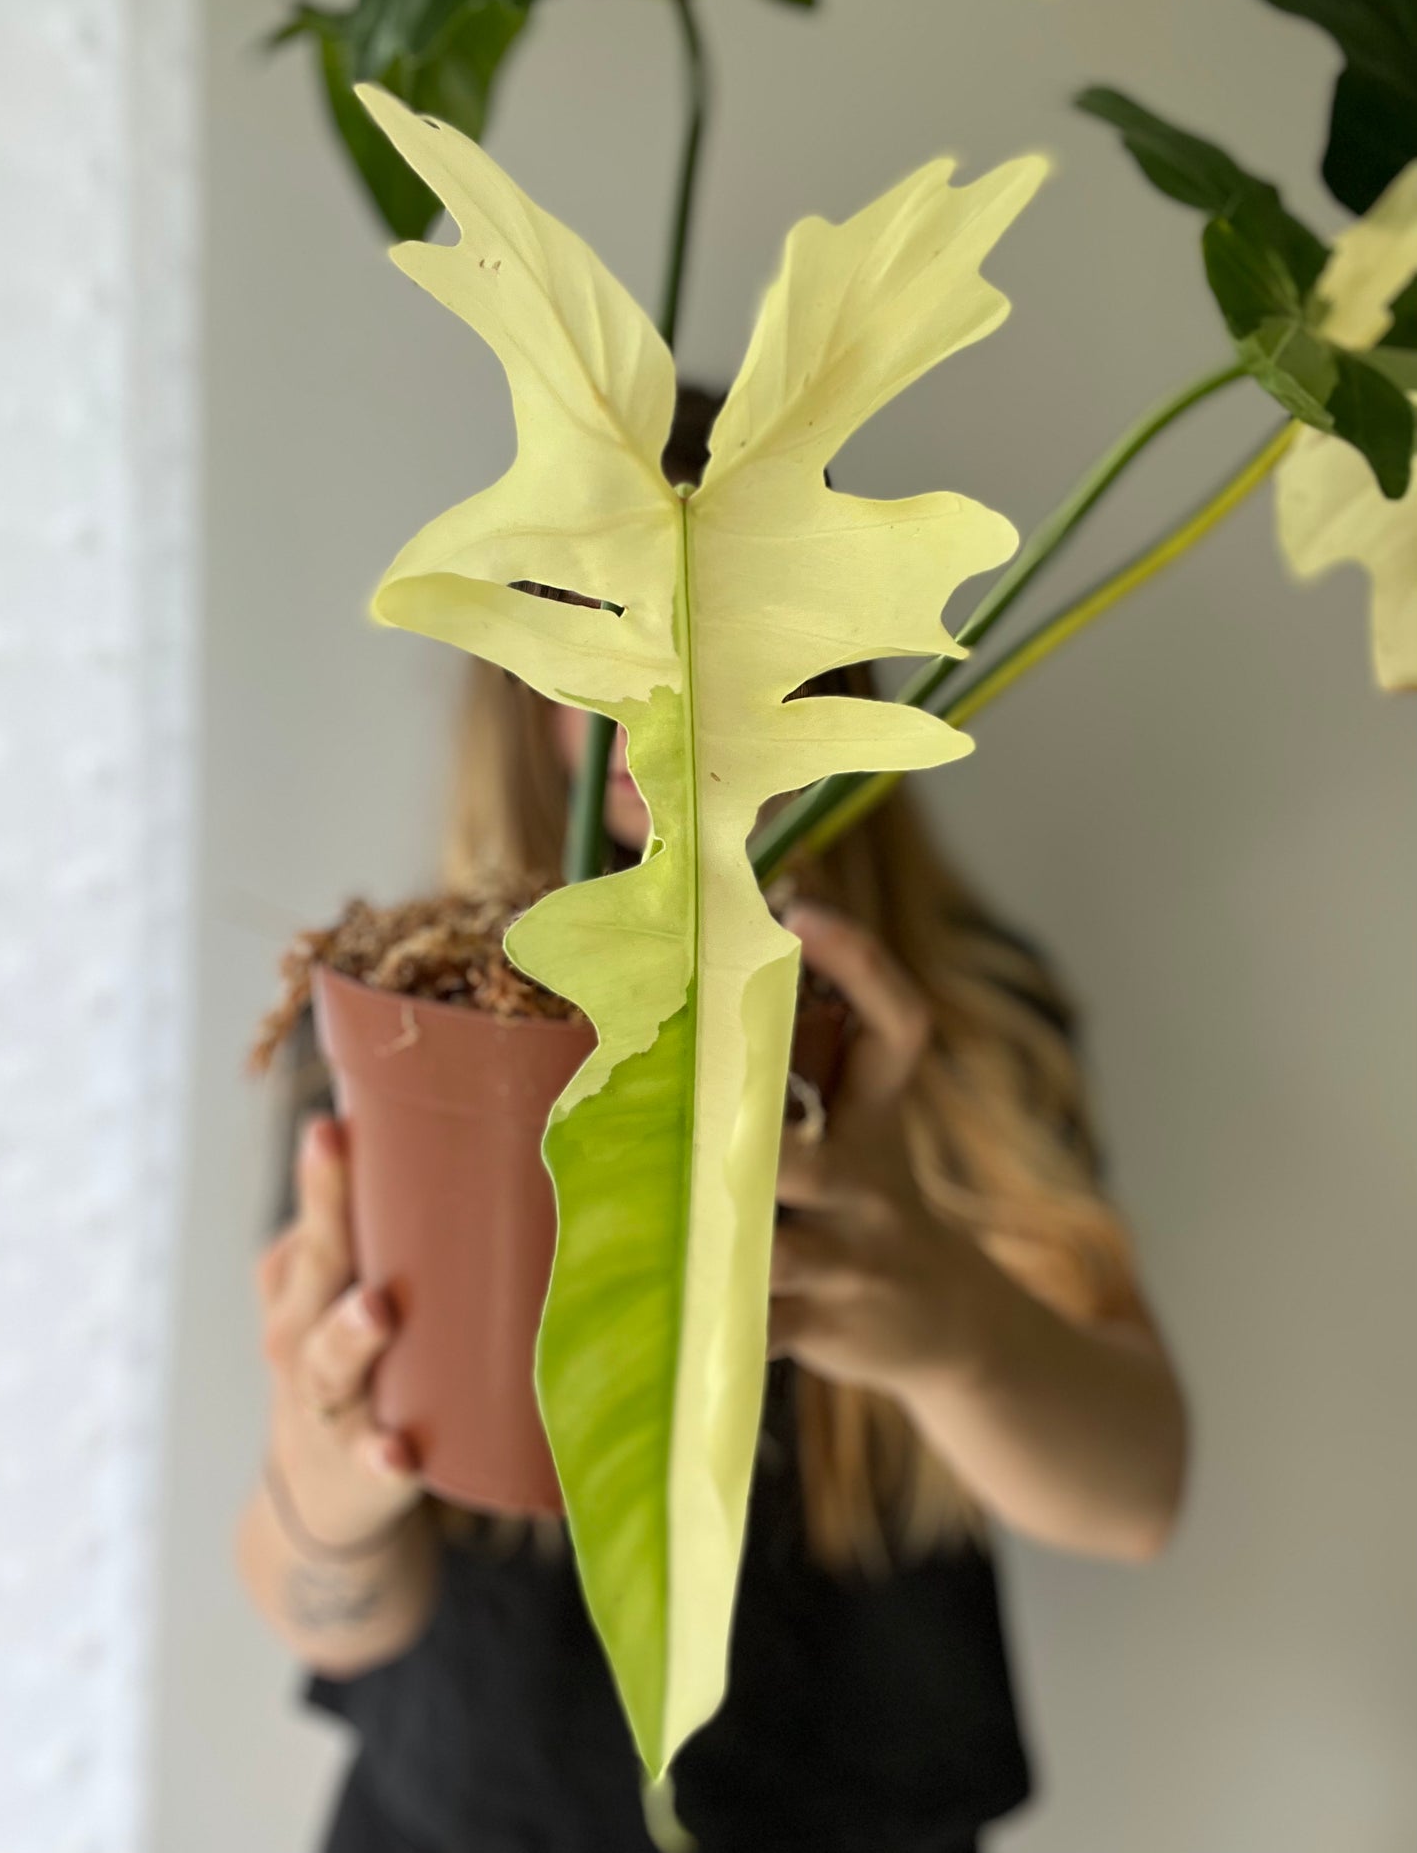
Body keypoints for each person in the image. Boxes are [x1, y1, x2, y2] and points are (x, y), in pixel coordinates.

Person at [237, 387, 1189, 1853]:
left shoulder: (954, 1026)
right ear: (526, 676)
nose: (671, 689)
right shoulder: (404, 1031)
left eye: (739, 626)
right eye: (612, 625)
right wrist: (331, 1476)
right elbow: (337, 1616)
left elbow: (1134, 1495)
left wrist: (941, 1316)